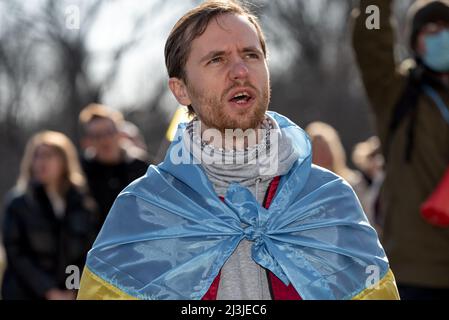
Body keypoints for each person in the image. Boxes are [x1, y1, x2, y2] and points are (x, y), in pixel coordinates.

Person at [78, 0, 399, 300]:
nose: (240, 71)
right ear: (180, 89)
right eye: (216, 59)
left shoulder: (328, 197)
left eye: (250, 55)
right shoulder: (143, 208)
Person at [353, 0, 449, 299]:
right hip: (417, 269)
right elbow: (371, 41)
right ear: (415, 41)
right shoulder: (395, 92)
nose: (442, 38)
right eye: (431, 31)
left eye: (448, 29)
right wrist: (375, 4)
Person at [1, 131, 98, 300]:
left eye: (48, 155)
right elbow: (17, 256)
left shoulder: (82, 203)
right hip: (25, 294)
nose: (40, 162)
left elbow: (85, 253)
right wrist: (49, 291)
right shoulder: (19, 203)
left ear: (64, 161)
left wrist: (72, 290)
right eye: (36, 156)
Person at [79, 104, 149, 227]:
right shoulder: (80, 173)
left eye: (109, 132)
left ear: (120, 133)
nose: (104, 140)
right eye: (97, 136)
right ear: (87, 141)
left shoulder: (142, 167)